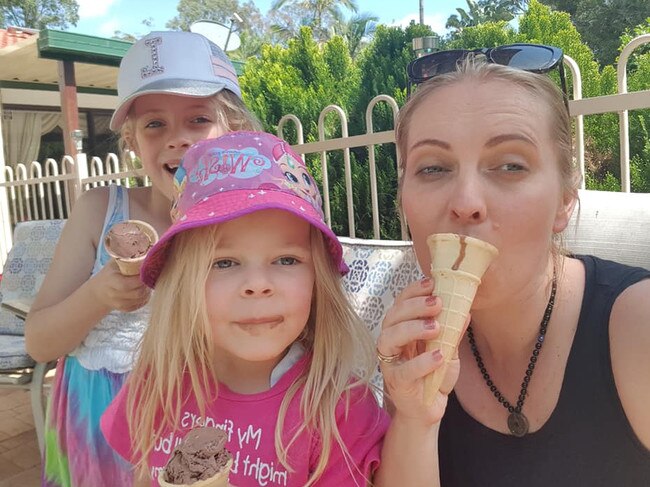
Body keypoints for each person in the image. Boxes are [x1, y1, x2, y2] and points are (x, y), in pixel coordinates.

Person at [378, 48, 650, 486]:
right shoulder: (414, 352)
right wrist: (414, 421)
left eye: (509, 165)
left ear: (564, 201)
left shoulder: (639, 327)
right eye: (432, 168)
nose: (466, 203)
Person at [24, 30, 260, 487]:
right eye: (155, 124)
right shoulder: (100, 210)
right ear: (131, 140)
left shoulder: (246, 224)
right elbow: (39, 342)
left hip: (197, 424)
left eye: (198, 119)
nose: (178, 140)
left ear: (233, 129)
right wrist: (100, 293)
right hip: (97, 422)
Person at [101, 131, 397, 487]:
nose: (258, 284)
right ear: (183, 283)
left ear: (318, 280)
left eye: (286, 259)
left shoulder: (340, 410)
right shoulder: (154, 386)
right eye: (224, 263)